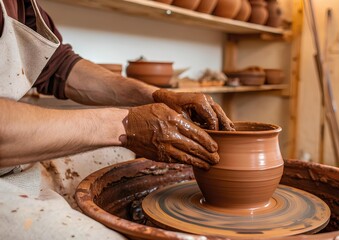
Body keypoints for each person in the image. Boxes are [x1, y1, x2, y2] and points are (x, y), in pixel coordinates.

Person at [0, 0, 234, 238]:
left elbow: (59, 66)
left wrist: (157, 96)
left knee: (123, 159)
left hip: (14, 157)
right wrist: (123, 125)